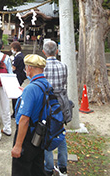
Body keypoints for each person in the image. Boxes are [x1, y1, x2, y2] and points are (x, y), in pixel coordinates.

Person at [11, 54, 51, 176]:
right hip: (40, 133)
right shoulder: (45, 84)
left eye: (26, 67)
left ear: (30, 68)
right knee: (37, 168)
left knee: (21, 170)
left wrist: (18, 146)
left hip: (28, 135)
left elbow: (24, 119)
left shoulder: (31, 88)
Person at [42, 40, 68, 176]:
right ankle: (63, 167)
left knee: (46, 133)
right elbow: (65, 83)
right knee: (60, 132)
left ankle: (48, 167)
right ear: (57, 51)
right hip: (61, 103)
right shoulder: (64, 66)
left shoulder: (42, 67)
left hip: (47, 104)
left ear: (43, 52)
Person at [10, 41, 27, 118]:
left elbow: (14, 68)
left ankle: (15, 111)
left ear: (15, 49)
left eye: (12, 48)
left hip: (17, 76)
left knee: (15, 95)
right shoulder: (22, 56)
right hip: (21, 76)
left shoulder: (18, 57)